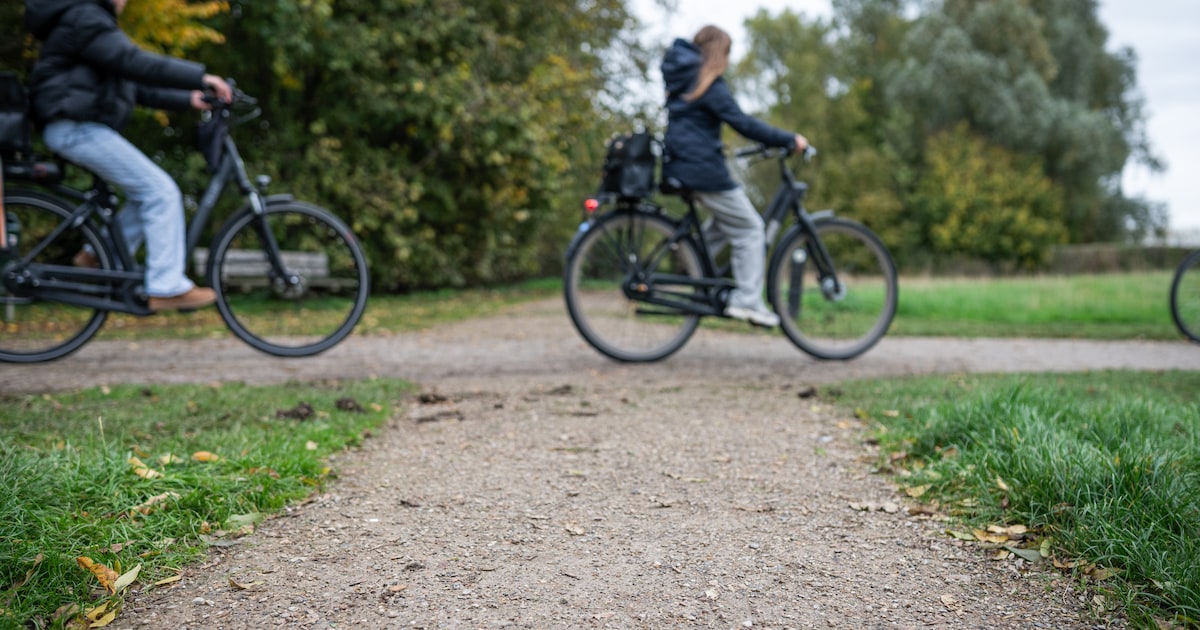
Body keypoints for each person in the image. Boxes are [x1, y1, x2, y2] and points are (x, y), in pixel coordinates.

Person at [25, 0, 232, 312]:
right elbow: (134, 61)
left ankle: (96, 255)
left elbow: (134, 87)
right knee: (161, 192)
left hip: (77, 126)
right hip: (77, 127)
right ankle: (165, 286)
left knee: (145, 195)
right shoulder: (85, 18)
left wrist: (189, 98)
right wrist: (201, 77)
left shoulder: (88, 21)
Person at [660, 25, 808, 328]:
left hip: (683, 165)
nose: (727, 61)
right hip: (702, 169)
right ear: (719, 52)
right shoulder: (708, 83)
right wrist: (788, 139)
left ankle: (691, 267)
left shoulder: (683, 80)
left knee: (724, 227)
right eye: (727, 54)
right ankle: (747, 300)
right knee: (751, 229)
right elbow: (743, 123)